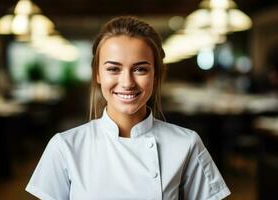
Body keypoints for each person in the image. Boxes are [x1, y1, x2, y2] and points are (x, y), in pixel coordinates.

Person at [26, 16, 231, 200]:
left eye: (140, 69)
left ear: (156, 75)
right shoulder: (65, 147)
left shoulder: (186, 144)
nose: (127, 82)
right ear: (98, 74)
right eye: (113, 69)